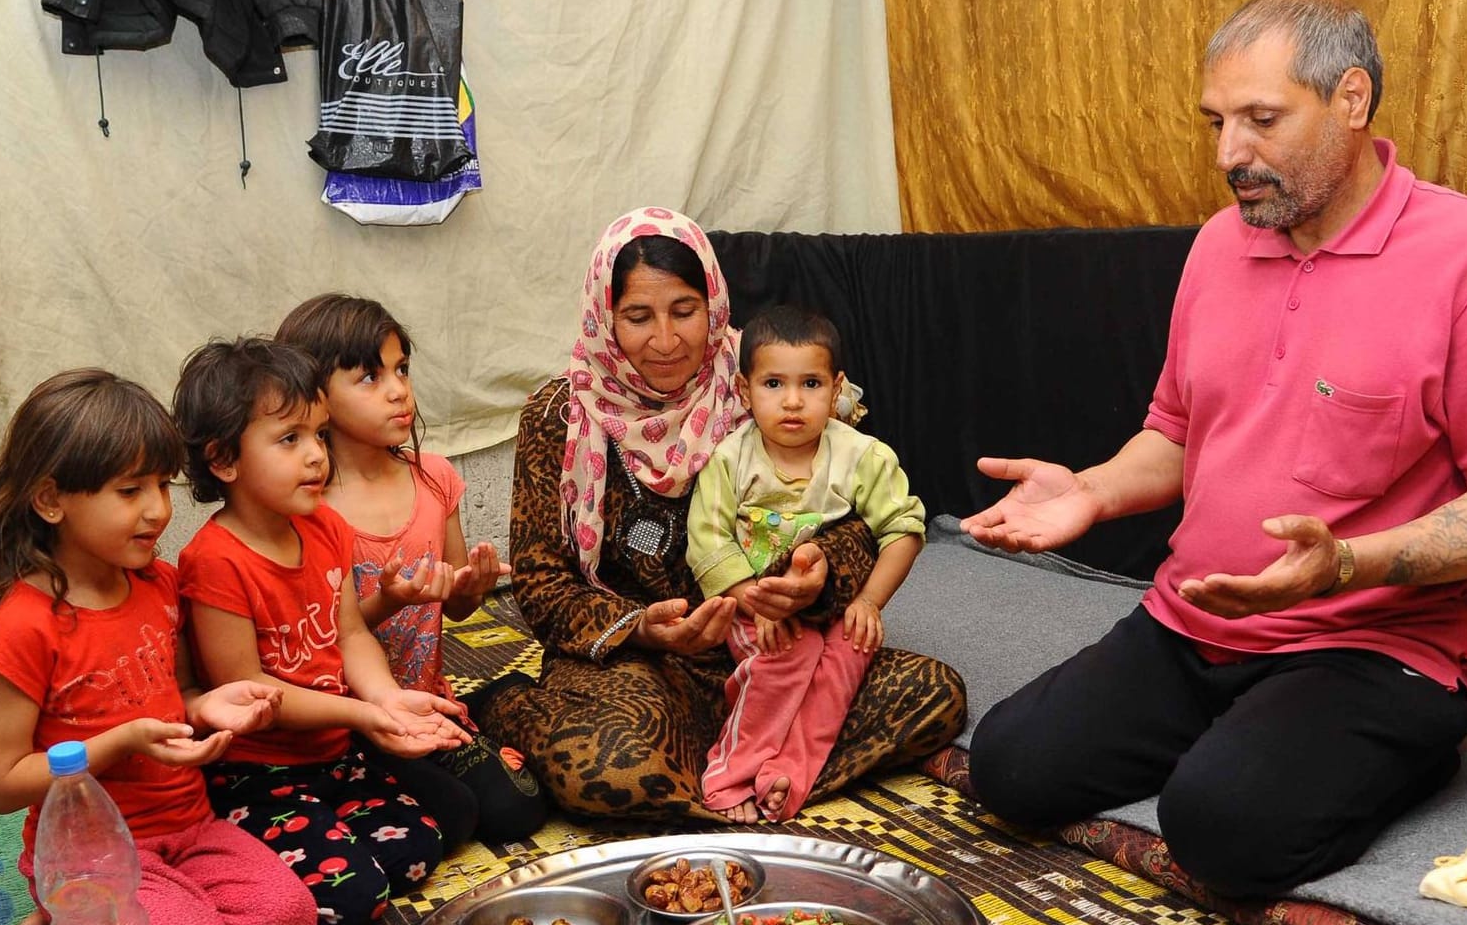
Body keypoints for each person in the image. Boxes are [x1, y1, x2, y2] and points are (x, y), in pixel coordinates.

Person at [965, 0, 1467, 898]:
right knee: (1010, 769)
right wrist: (1092, 490)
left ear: (1351, 100)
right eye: (1215, 122)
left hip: (1377, 643)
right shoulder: (1216, 246)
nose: (1227, 154)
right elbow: (1175, 433)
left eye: (1260, 120)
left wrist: (1345, 566)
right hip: (1194, 620)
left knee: (1222, 831)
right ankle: (1256, 735)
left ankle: (1413, 748)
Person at [469, 205, 964, 822]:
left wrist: (817, 577)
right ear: (604, 315)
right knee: (608, 769)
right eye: (638, 317)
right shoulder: (560, 417)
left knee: (934, 696)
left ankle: (740, 772)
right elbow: (541, 583)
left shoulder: (767, 379)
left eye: (685, 311)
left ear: (715, 303)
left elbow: (864, 517)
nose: (667, 340)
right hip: (638, 664)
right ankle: (520, 708)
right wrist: (644, 627)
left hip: (775, 643)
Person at [0, 370, 315, 925]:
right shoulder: (25, 627)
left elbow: (174, 695)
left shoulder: (157, 586)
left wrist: (207, 704)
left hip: (189, 828)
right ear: (51, 500)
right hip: (97, 851)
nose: (159, 509)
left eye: (163, 485)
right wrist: (121, 742)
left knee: (288, 918)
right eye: (130, 490)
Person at [173, 337, 472, 925]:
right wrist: (364, 713)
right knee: (355, 899)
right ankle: (219, 862)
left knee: (426, 841)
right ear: (224, 461)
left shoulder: (323, 526)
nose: (316, 456)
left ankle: (319, 835)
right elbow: (248, 688)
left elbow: (351, 632)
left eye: (317, 434)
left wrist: (385, 699)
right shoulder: (214, 561)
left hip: (338, 754)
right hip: (262, 772)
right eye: (290, 440)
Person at [276, 294, 548, 845]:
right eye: (370, 377)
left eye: (401, 369)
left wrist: (470, 586)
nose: (398, 390)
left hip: (427, 694)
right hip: (348, 721)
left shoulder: (434, 478)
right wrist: (390, 600)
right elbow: (327, 639)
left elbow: (457, 608)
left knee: (519, 809)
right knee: (451, 820)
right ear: (316, 397)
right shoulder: (308, 508)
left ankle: (476, 708)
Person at [687, 306, 926, 822]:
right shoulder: (731, 460)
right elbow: (707, 540)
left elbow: (904, 529)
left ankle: (788, 774)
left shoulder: (863, 456)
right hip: (754, 609)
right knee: (793, 654)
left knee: (846, 655)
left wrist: (868, 601)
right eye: (773, 383)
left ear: (837, 388)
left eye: (811, 383)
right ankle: (730, 773)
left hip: (834, 606)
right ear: (745, 390)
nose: (793, 401)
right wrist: (756, 600)